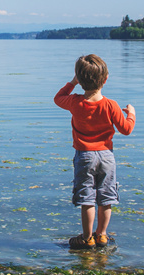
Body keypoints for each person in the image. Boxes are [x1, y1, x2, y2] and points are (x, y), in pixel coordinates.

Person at [54, 54, 136, 250]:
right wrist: (131, 113)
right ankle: (102, 235)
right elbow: (126, 129)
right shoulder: (111, 105)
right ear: (106, 79)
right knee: (106, 198)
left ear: (80, 80)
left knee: (87, 199)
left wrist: (72, 82)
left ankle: (87, 237)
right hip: (107, 156)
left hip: (84, 156)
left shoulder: (75, 102)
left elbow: (58, 99)